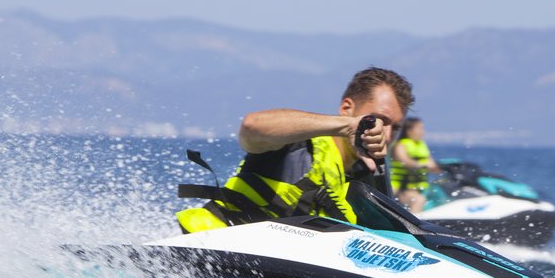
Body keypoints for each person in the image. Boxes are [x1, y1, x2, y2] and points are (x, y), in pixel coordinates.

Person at [175, 66, 413, 233]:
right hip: (207, 253)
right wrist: (350, 127)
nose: (387, 133)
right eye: (379, 119)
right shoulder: (296, 142)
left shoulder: (368, 180)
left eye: (396, 127)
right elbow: (252, 127)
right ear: (346, 107)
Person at [388, 116, 442, 212]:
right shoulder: (400, 145)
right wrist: (422, 165)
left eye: (423, 128)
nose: (422, 131)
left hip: (418, 187)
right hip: (400, 188)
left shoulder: (422, 145)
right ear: (409, 130)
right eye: (419, 128)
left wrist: (445, 168)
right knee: (418, 200)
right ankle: (412, 226)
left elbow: (432, 165)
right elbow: (405, 161)